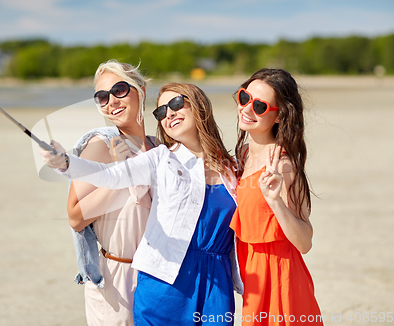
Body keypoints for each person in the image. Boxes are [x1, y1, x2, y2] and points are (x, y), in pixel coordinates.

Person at [41, 83, 244, 325]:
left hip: (216, 283)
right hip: (167, 282)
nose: (169, 114)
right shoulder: (160, 158)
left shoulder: (232, 168)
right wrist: (66, 163)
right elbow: (109, 175)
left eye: (177, 104)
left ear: (200, 106)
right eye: (161, 112)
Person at [65, 60, 159, 326]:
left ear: (140, 90)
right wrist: (120, 171)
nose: (111, 102)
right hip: (118, 278)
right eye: (102, 97)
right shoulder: (101, 146)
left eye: (119, 90)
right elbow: (75, 216)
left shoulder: (158, 145)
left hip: (159, 276)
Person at [229, 68, 323, 325]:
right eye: (244, 97)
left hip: (281, 278)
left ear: (279, 115)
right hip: (252, 277)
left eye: (259, 106)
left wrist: (275, 201)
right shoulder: (245, 154)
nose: (247, 109)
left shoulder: (282, 163)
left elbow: (304, 242)